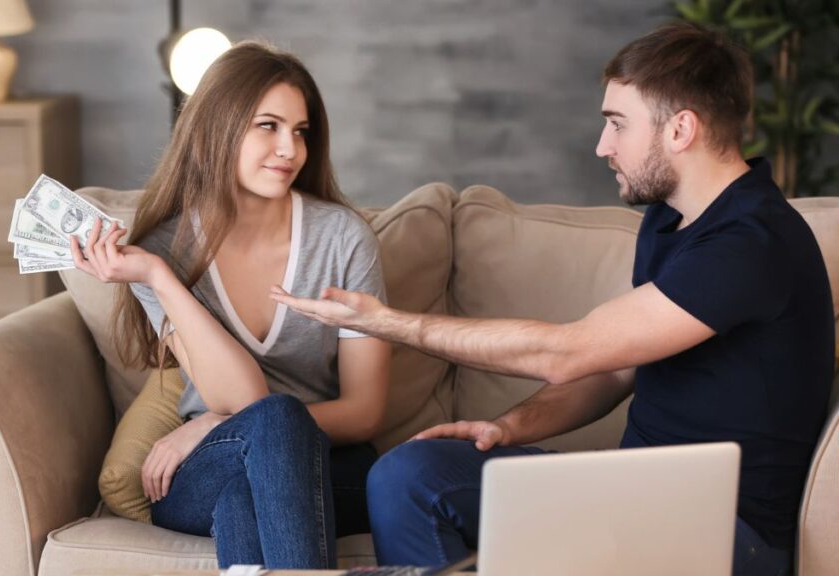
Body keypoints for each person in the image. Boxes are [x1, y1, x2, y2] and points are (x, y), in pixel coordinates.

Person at [271, 23, 834, 576]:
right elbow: (613, 369)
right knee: (408, 475)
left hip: (723, 530)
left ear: (680, 129)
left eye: (617, 124)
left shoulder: (751, 242)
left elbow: (567, 353)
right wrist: (509, 427)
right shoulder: (671, 220)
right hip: (633, 496)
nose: (602, 146)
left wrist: (389, 323)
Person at [70, 41, 391, 569]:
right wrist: (158, 276)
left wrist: (210, 424)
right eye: (269, 126)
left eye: (301, 131)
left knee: (258, 473)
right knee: (272, 422)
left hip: (329, 462)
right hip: (208, 468)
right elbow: (244, 396)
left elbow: (364, 411)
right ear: (218, 126)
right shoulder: (161, 252)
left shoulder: (343, 239)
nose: (290, 148)